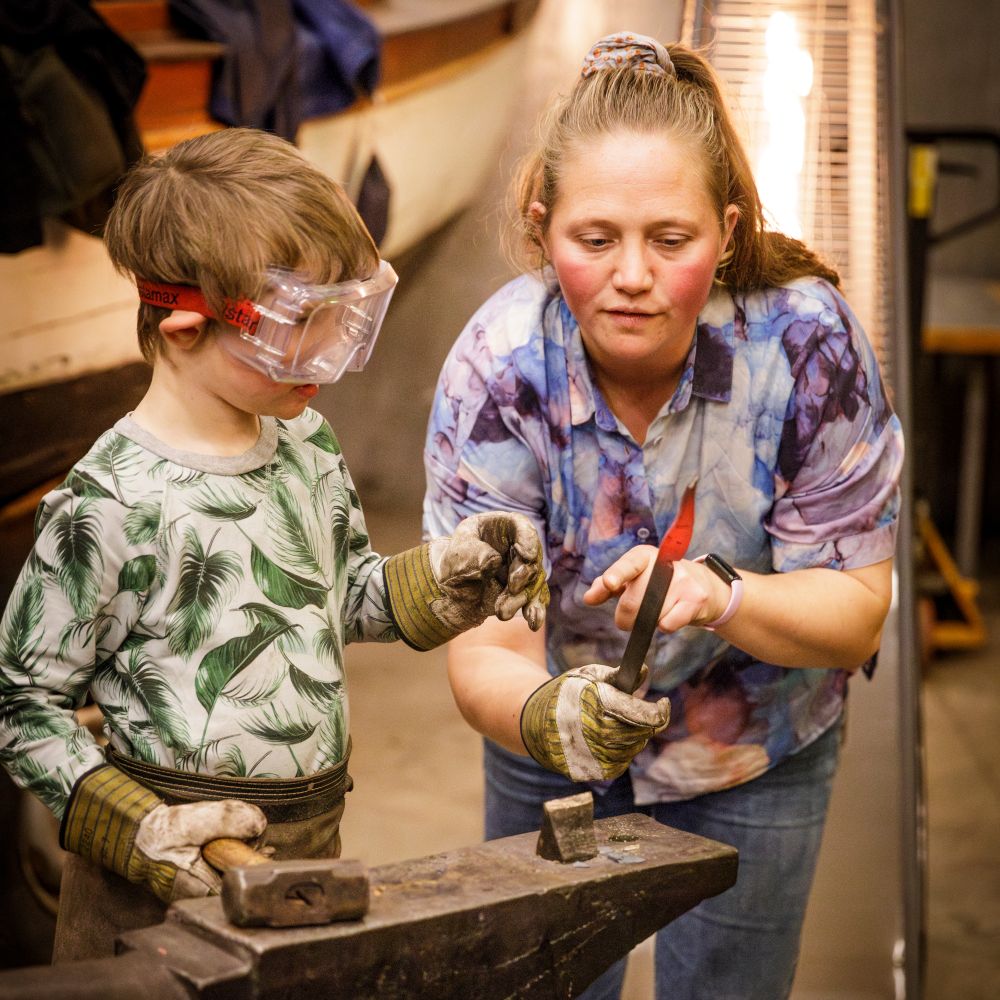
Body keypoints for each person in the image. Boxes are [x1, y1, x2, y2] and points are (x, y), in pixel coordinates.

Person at [423, 32, 904, 1000]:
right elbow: (483, 651)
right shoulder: (499, 368)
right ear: (540, 224)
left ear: (725, 234)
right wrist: (547, 716)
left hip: (753, 740)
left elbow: (855, 610)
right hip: (549, 737)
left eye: (670, 240)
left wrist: (713, 592)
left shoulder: (804, 345)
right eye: (594, 239)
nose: (632, 274)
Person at [0, 127, 548, 961]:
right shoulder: (106, 503)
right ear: (185, 324)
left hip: (306, 857)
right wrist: (137, 828)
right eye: (302, 323)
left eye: (345, 318)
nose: (329, 355)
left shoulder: (309, 448)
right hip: (148, 894)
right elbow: (23, 705)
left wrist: (449, 575)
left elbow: (346, 595)